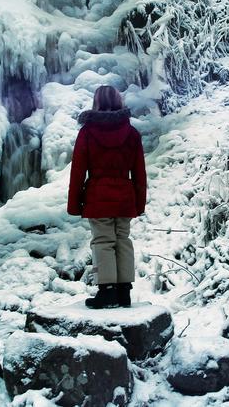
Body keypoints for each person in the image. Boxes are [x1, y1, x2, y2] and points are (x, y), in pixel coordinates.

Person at [67, 85, 146, 309]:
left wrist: (74, 204)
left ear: (97, 103)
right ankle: (124, 292)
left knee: (103, 241)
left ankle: (107, 291)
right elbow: (139, 172)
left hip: (98, 196)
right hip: (124, 196)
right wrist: (139, 204)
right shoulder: (131, 133)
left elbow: (78, 171)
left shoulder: (87, 132)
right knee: (123, 240)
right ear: (119, 102)